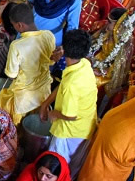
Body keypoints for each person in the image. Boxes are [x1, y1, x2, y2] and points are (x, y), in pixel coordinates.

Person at [41, 29, 98, 169]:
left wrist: (54, 114)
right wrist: (45, 104)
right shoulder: (84, 64)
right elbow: (62, 85)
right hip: (86, 124)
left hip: (71, 131)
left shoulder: (71, 84)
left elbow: (70, 116)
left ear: (64, 49)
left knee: (57, 166)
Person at [0, 2, 55, 125]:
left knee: (11, 118)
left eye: (13, 25)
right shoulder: (48, 36)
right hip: (43, 93)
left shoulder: (17, 45)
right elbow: (50, 59)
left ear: (19, 25)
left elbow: (11, 74)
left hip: (23, 98)